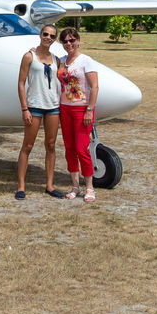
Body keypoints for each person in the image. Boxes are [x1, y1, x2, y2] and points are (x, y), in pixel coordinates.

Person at [16, 25, 64, 199]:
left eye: (52, 36)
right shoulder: (29, 56)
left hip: (52, 107)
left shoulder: (56, 59)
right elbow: (21, 83)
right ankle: (21, 186)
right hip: (34, 106)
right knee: (27, 146)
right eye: (45, 34)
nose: (48, 38)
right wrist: (25, 108)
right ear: (40, 35)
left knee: (50, 146)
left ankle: (49, 186)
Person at [57, 27, 100, 202]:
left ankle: (89, 187)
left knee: (82, 149)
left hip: (82, 108)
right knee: (69, 149)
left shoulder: (86, 61)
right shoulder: (61, 61)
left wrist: (90, 109)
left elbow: (94, 87)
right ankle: (75, 185)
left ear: (78, 41)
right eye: (65, 41)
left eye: (72, 40)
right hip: (64, 108)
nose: (69, 44)